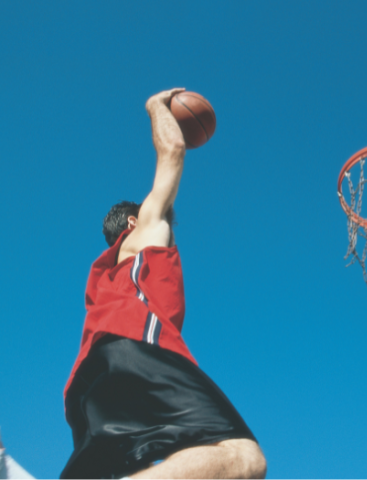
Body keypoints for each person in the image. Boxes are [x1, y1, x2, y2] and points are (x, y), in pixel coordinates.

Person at [61, 88, 266, 479]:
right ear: (133, 222)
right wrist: (158, 105)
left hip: (85, 389)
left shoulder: (107, 272)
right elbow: (172, 150)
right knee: (241, 458)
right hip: (135, 348)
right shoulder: (145, 234)